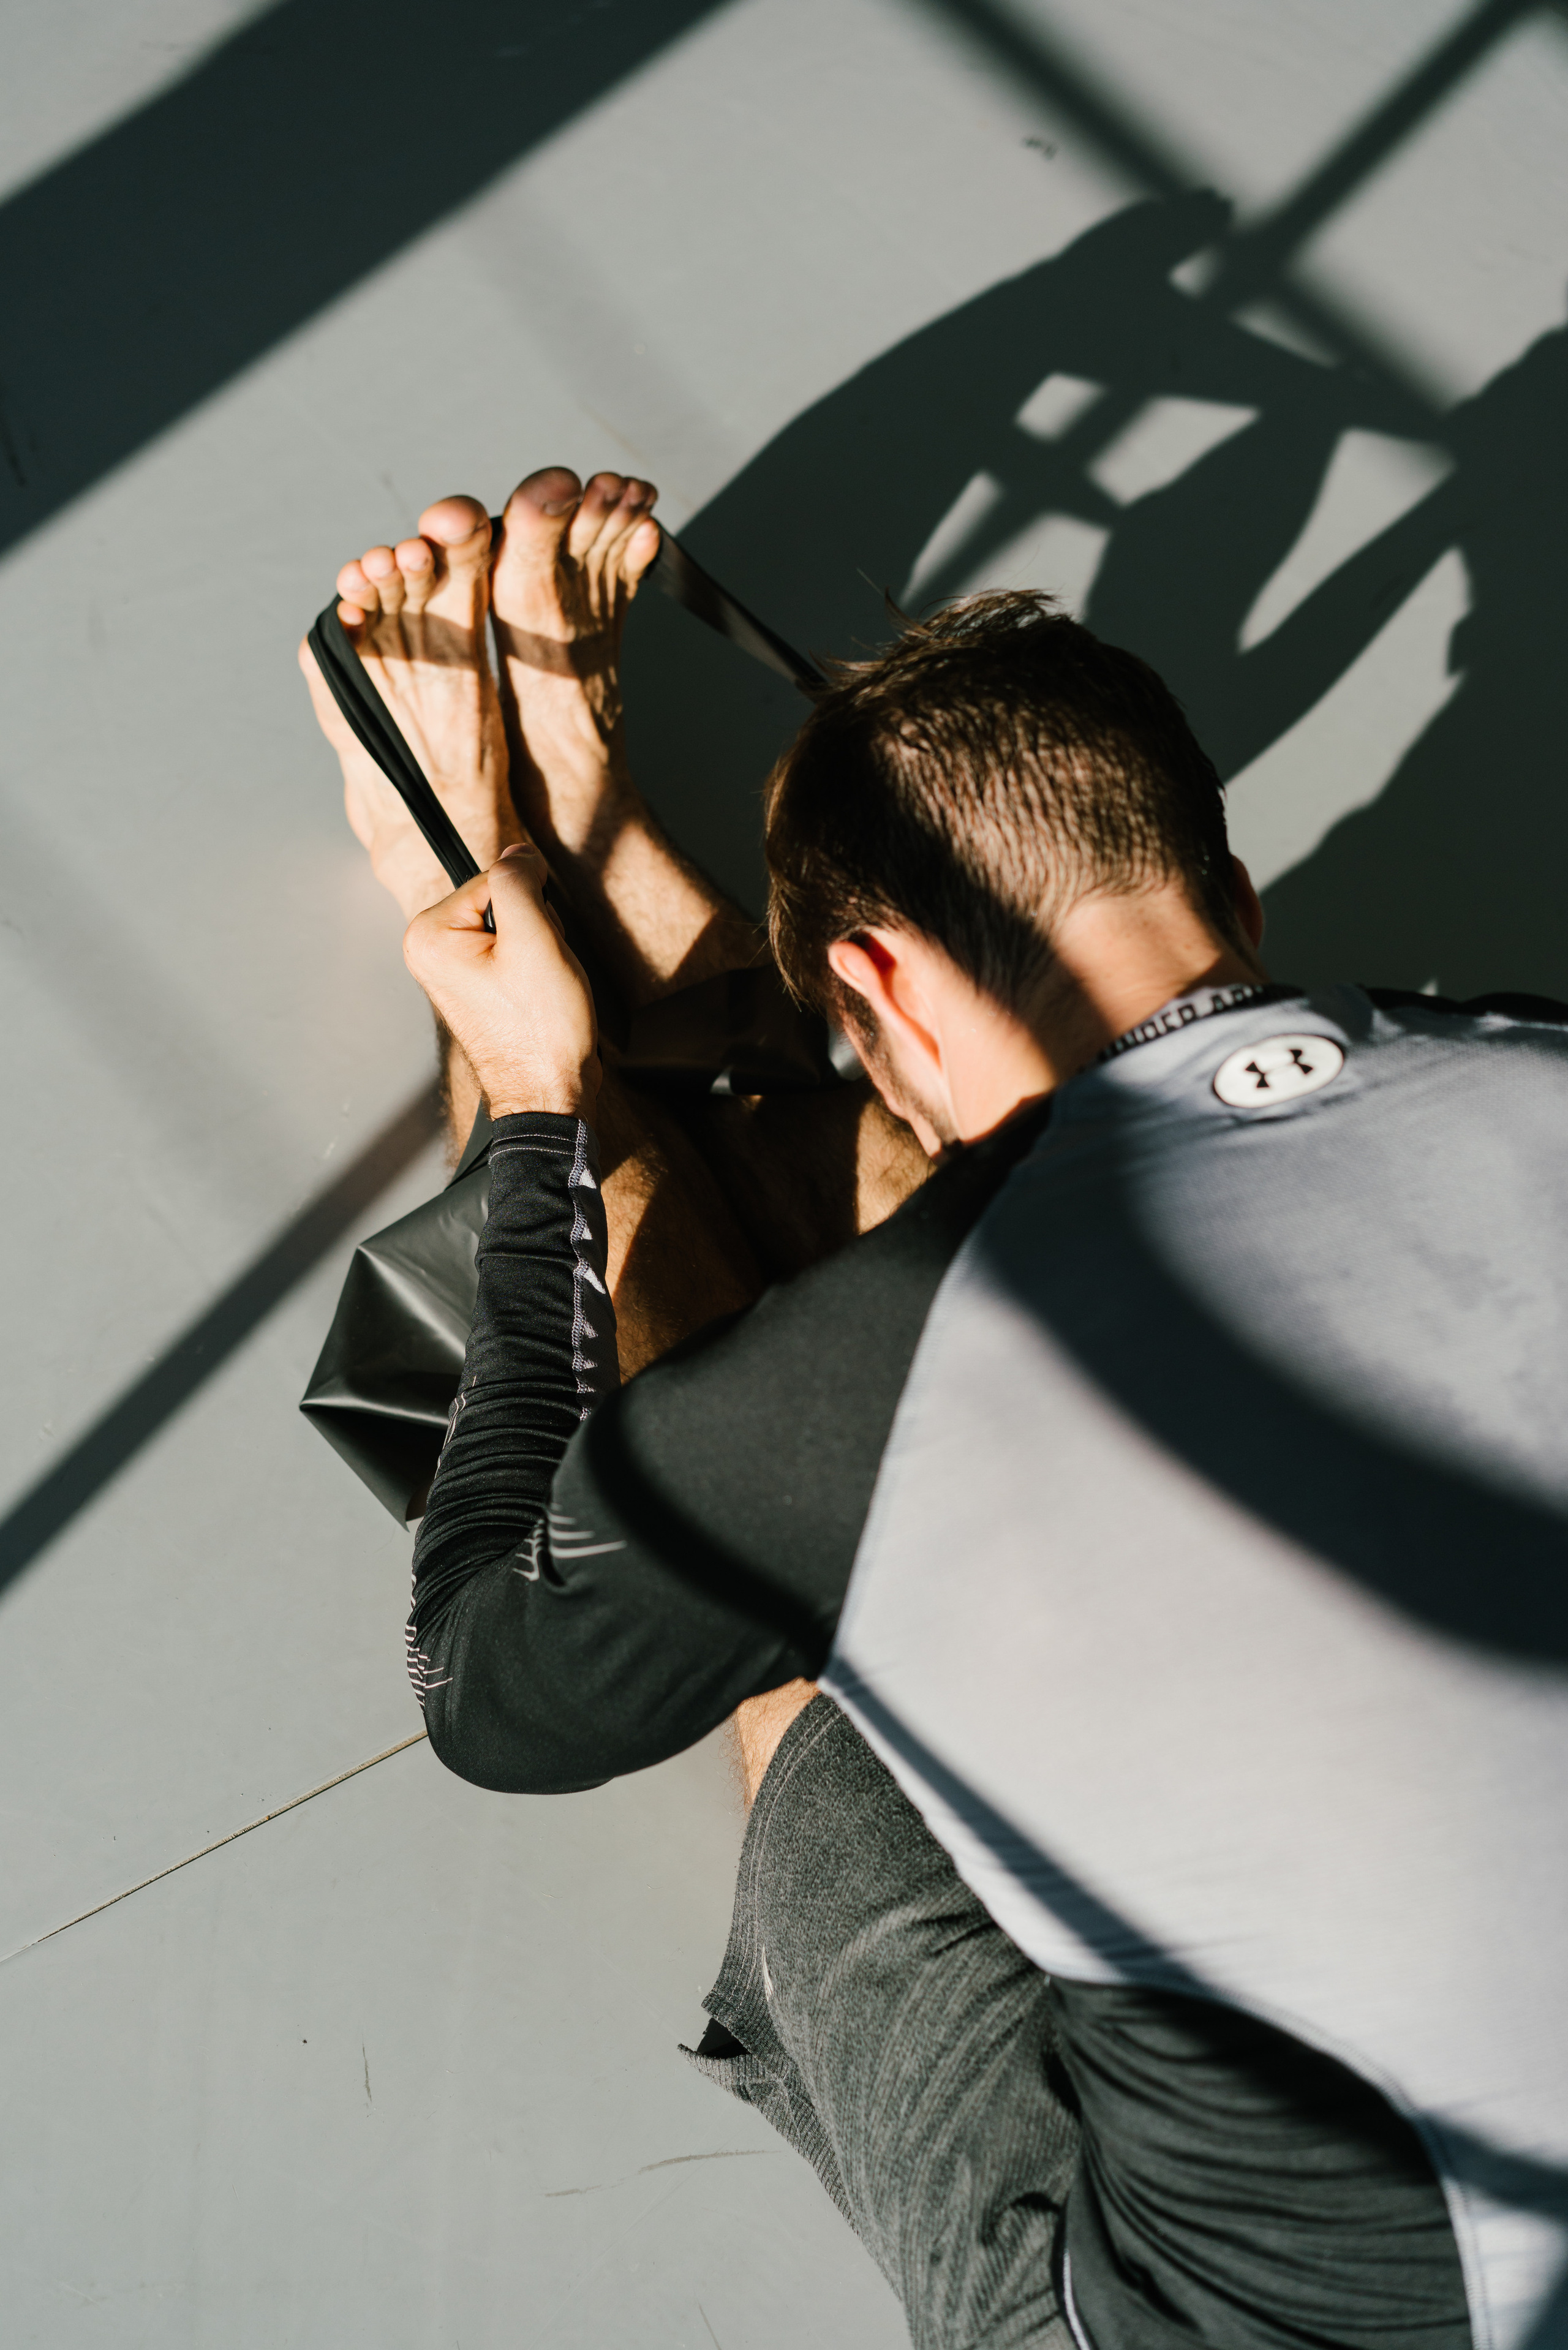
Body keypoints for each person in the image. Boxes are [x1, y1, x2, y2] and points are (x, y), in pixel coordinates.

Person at [304, 470, 1568, 2349]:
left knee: (816, 1626)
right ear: (1234, 892)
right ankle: (634, 905)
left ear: (870, 985)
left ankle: (548, 953)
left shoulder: (867, 1389)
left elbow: (493, 1685)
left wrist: (538, 1102)